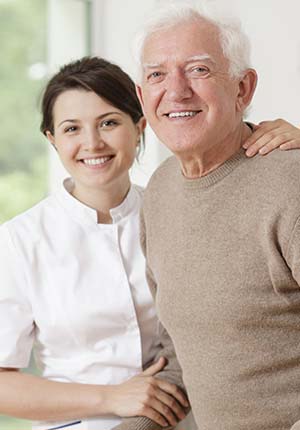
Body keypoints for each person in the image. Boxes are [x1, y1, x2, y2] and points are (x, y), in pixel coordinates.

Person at [0, 56, 298, 430]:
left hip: (182, 419)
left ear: (140, 126)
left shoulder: (172, 207)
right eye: (71, 129)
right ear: (52, 139)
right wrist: (110, 398)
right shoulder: (20, 240)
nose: (92, 143)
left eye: (109, 123)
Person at [133, 3, 300, 430]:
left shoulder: (290, 184)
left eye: (199, 70)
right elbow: (180, 353)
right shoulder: (160, 190)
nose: (176, 90)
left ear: (243, 89)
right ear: (141, 96)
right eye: (156, 74)